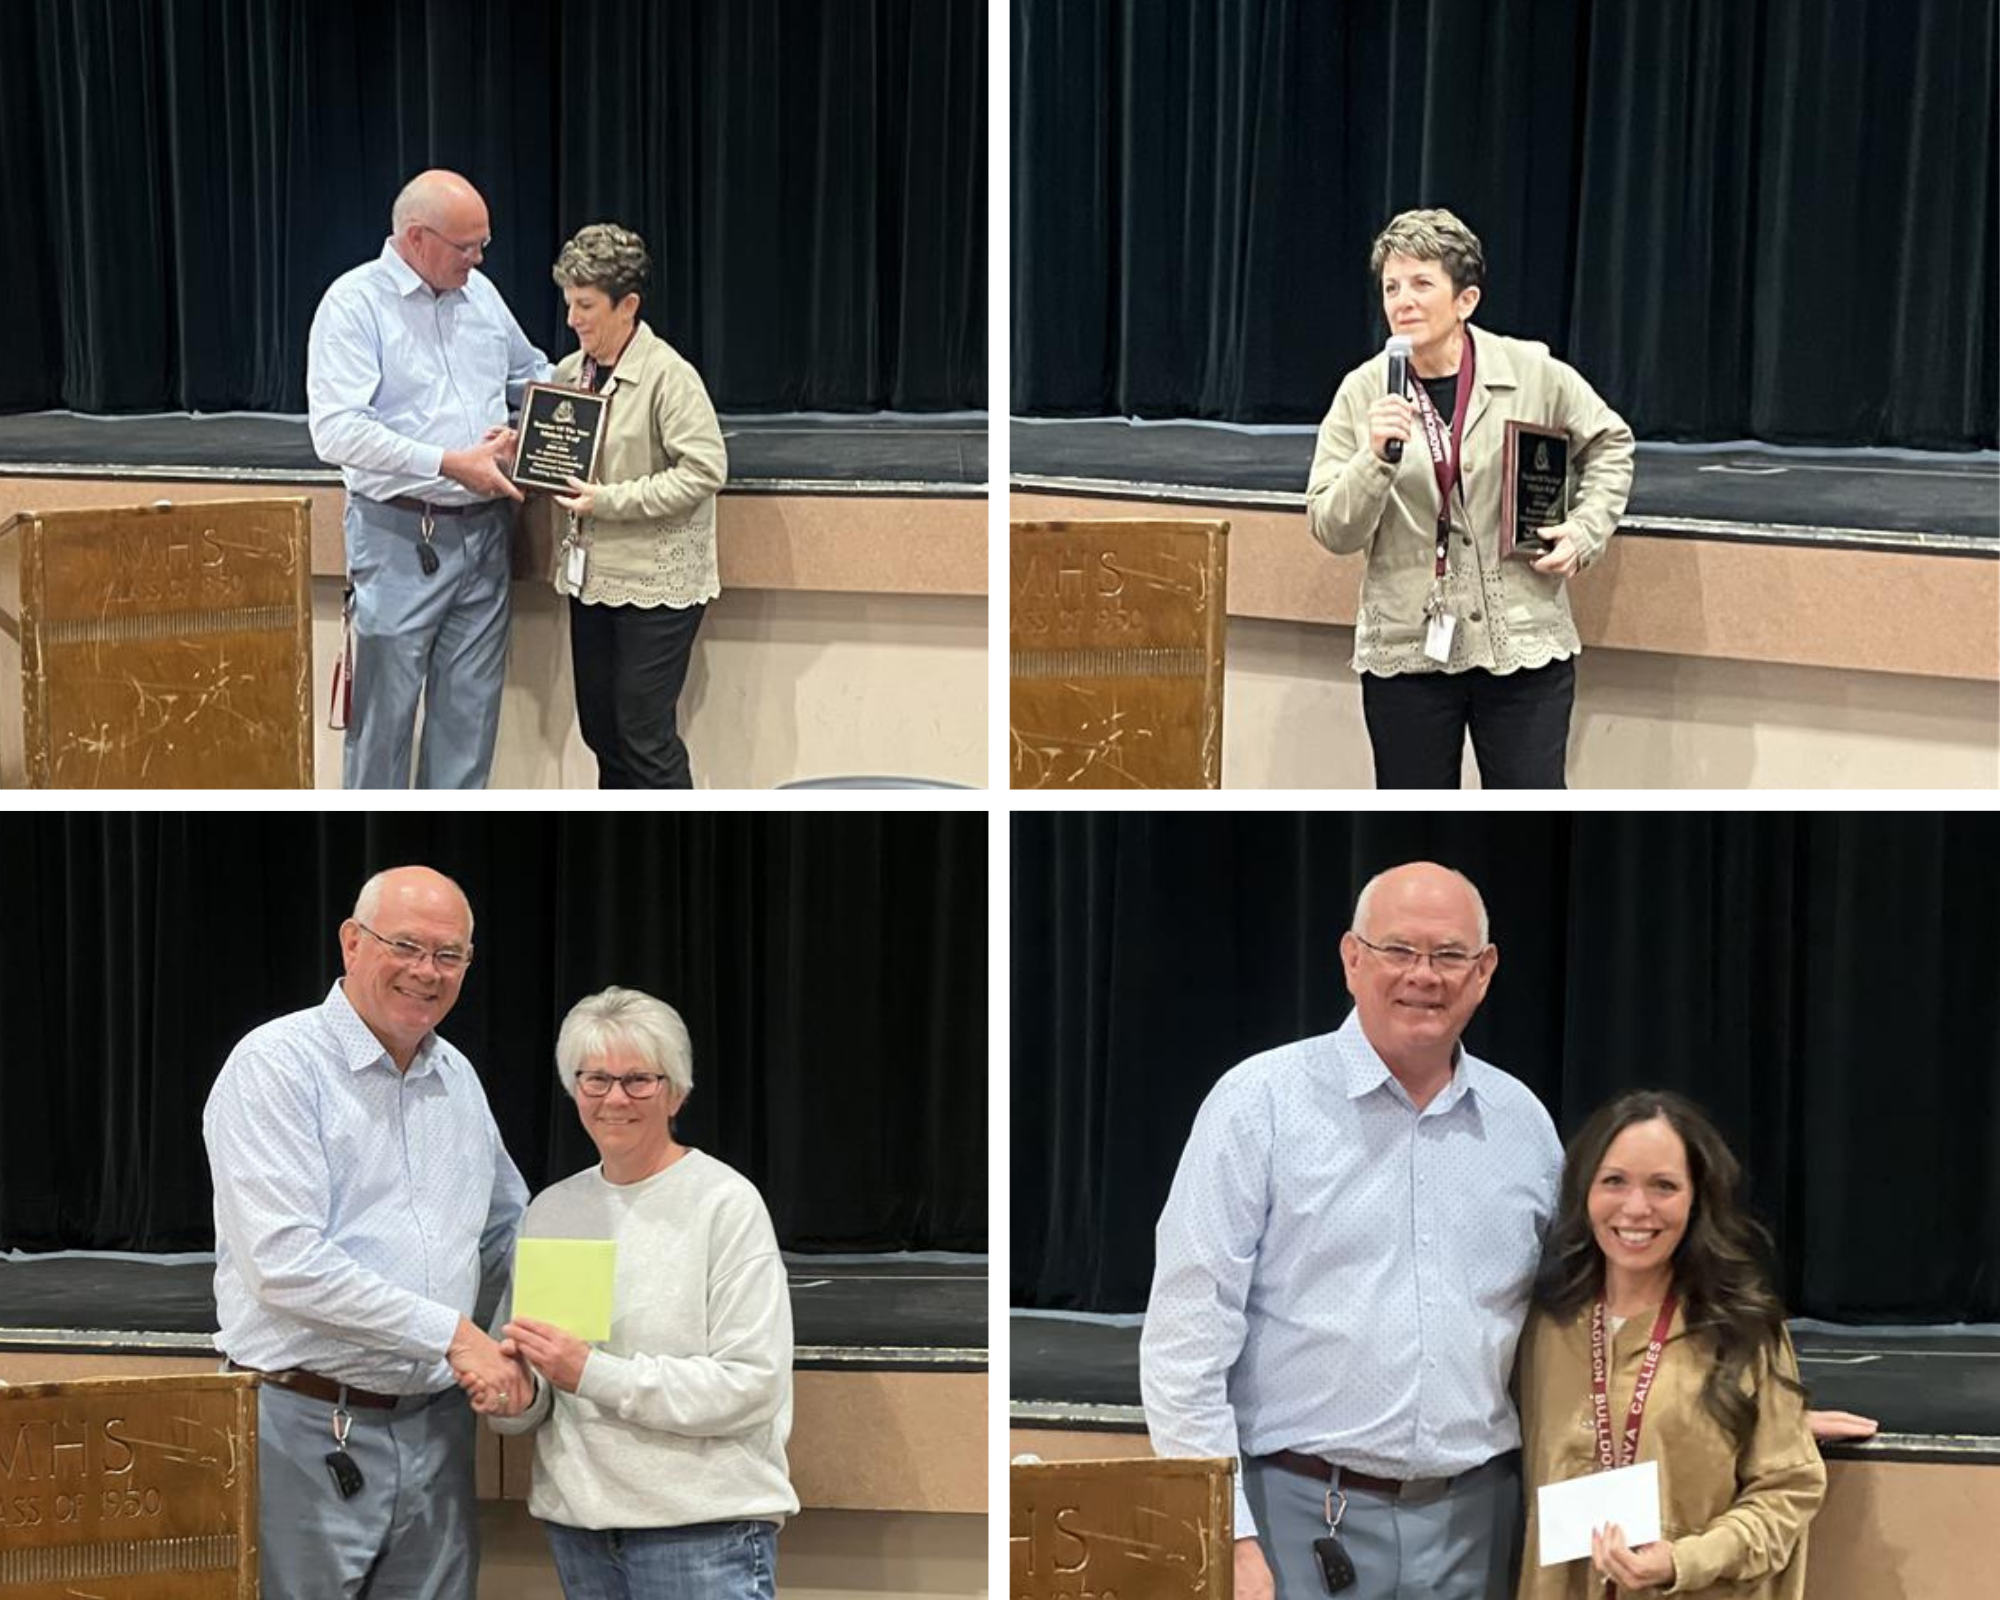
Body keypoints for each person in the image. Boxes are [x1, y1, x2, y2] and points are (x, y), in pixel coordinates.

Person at [1142, 862, 1563, 1600]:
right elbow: (1186, 1335)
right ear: (1351, 958)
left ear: (1485, 970)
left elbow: (1584, 1312)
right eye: (1399, 950)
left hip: (1477, 1525)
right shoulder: (1258, 1104)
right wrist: (1227, 1532)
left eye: (1450, 955)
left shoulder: (1523, 1124)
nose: (1423, 976)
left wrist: (1748, 1402)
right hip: (1293, 1521)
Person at [202, 865, 529, 1600]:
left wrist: (541, 1339)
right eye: (406, 946)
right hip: (305, 1426)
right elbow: (285, 1263)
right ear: (352, 942)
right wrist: (454, 1334)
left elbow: (513, 1226)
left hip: (439, 1431)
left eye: (450, 956)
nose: (427, 971)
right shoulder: (276, 1067)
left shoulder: (460, 1078)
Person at [473, 986, 796, 1598]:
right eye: (595, 1079)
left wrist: (591, 1372)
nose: (614, 1098)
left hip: (702, 1533)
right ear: (574, 1090)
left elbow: (751, 1384)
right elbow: (539, 1390)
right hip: (581, 1531)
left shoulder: (724, 1204)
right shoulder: (553, 1210)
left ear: (676, 1091)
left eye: (638, 1080)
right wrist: (510, 1395)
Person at [1305, 208, 1635, 790]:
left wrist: (1585, 531)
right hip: (1408, 652)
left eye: (1421, 283)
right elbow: (1332, 527)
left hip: (1524, 644)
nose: (1402, 299)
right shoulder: (1363, 391)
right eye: (1390, 286)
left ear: (1466, 300)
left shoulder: (1532, 371)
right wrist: (1374, 458)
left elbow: (1611, 443)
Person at [1516, 1092, 1827, 1600]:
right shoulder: (1546, 1325)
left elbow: (1787, 1491)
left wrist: (1683, 1561)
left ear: (1696, 1199)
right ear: (1584, 1192)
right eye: (1614, 1181)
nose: (1636, 1208)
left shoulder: (1740, 1331)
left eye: (1663, 1186)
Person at [308, 169, 551, 790]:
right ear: (416, 238)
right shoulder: (354, 304)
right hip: (397, 537)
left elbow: (534, 376)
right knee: (381, 733)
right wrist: (448, 462)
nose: (478, 258)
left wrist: (529, 431)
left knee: (468, 732)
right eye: (466, 246)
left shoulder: (484, 297)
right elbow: (335, 431)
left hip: (485, 536)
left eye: (483, 245)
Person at [545, 224, 728, 789]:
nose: (573, 319)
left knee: (644, 736)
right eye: (568, 303)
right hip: (591, 579)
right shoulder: (568, 374)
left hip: (657, 585)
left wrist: (609, 501)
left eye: (586, 305)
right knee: (602, 732)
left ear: (627, 306)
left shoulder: (670, 376)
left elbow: (705, 470)